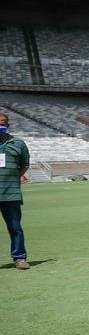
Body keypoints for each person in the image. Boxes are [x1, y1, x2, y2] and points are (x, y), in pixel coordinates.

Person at [0, 113, 30, 270]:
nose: (0, 126)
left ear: (8, 125)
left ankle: (20, 258)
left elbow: (25, 164)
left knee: (15, 227)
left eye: (3, 124)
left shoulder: (18, 143)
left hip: (11, 193)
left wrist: (13, 177)